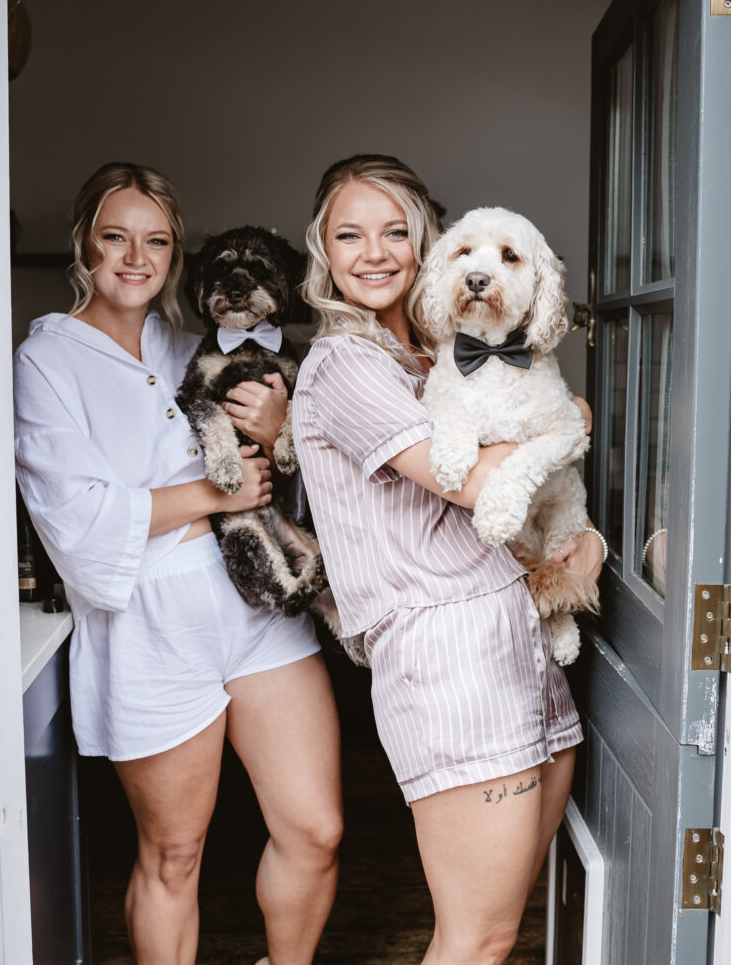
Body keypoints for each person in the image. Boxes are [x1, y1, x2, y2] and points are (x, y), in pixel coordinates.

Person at [13, 162, 342, 965]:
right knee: (174, 856)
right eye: (115, 238)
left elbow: (288, 462)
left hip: (253, 607)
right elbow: (77, 520)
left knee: (316, 828)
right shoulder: (46, 362)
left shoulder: (195, 344)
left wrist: (277, 422)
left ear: (176, 254)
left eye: (156, 240)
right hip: (150, 624)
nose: (136, 257)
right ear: (83, 246)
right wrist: (208, 495)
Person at [292, 154, 604, 965]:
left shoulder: (431, 358)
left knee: (498, 932)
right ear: (323, 249)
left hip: (516, 639)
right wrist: (563, 418)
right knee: (478, 940)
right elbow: (470, 483)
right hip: (450, 658)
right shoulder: (345, 364)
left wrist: (587, 539)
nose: (374, 251)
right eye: (349, 233)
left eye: (395, 231)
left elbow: (535, 492)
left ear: (428, 245)